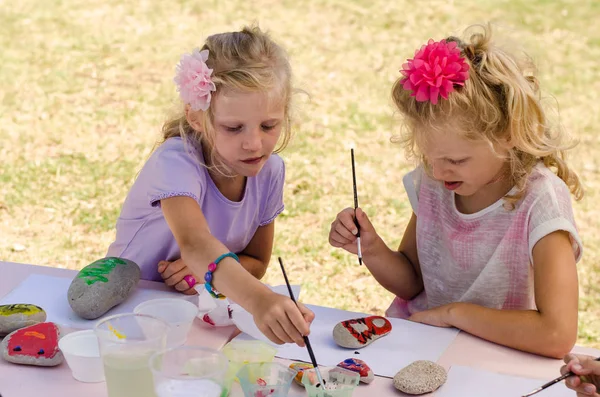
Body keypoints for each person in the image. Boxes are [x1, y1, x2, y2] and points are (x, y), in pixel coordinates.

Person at [329, 24, 583, 358]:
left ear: (507, 134)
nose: (437, 172)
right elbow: (412, 282)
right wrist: (372, 247)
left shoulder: (540, 201)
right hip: (424, 345)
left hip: (496, 356)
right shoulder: (436, 181)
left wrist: (455, 314)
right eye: (429, 158)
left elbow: (556, 335)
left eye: (455, 160)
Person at [107, 25, 313, 346]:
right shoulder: (176, 161)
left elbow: (256, 262)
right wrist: (259, 301)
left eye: (269, 125)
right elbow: (196, 244)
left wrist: (204, 273)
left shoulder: (270, 171)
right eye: (233, 128)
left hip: (194, 317)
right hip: (127, 310)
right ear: (196, 118)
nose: (254, 143)